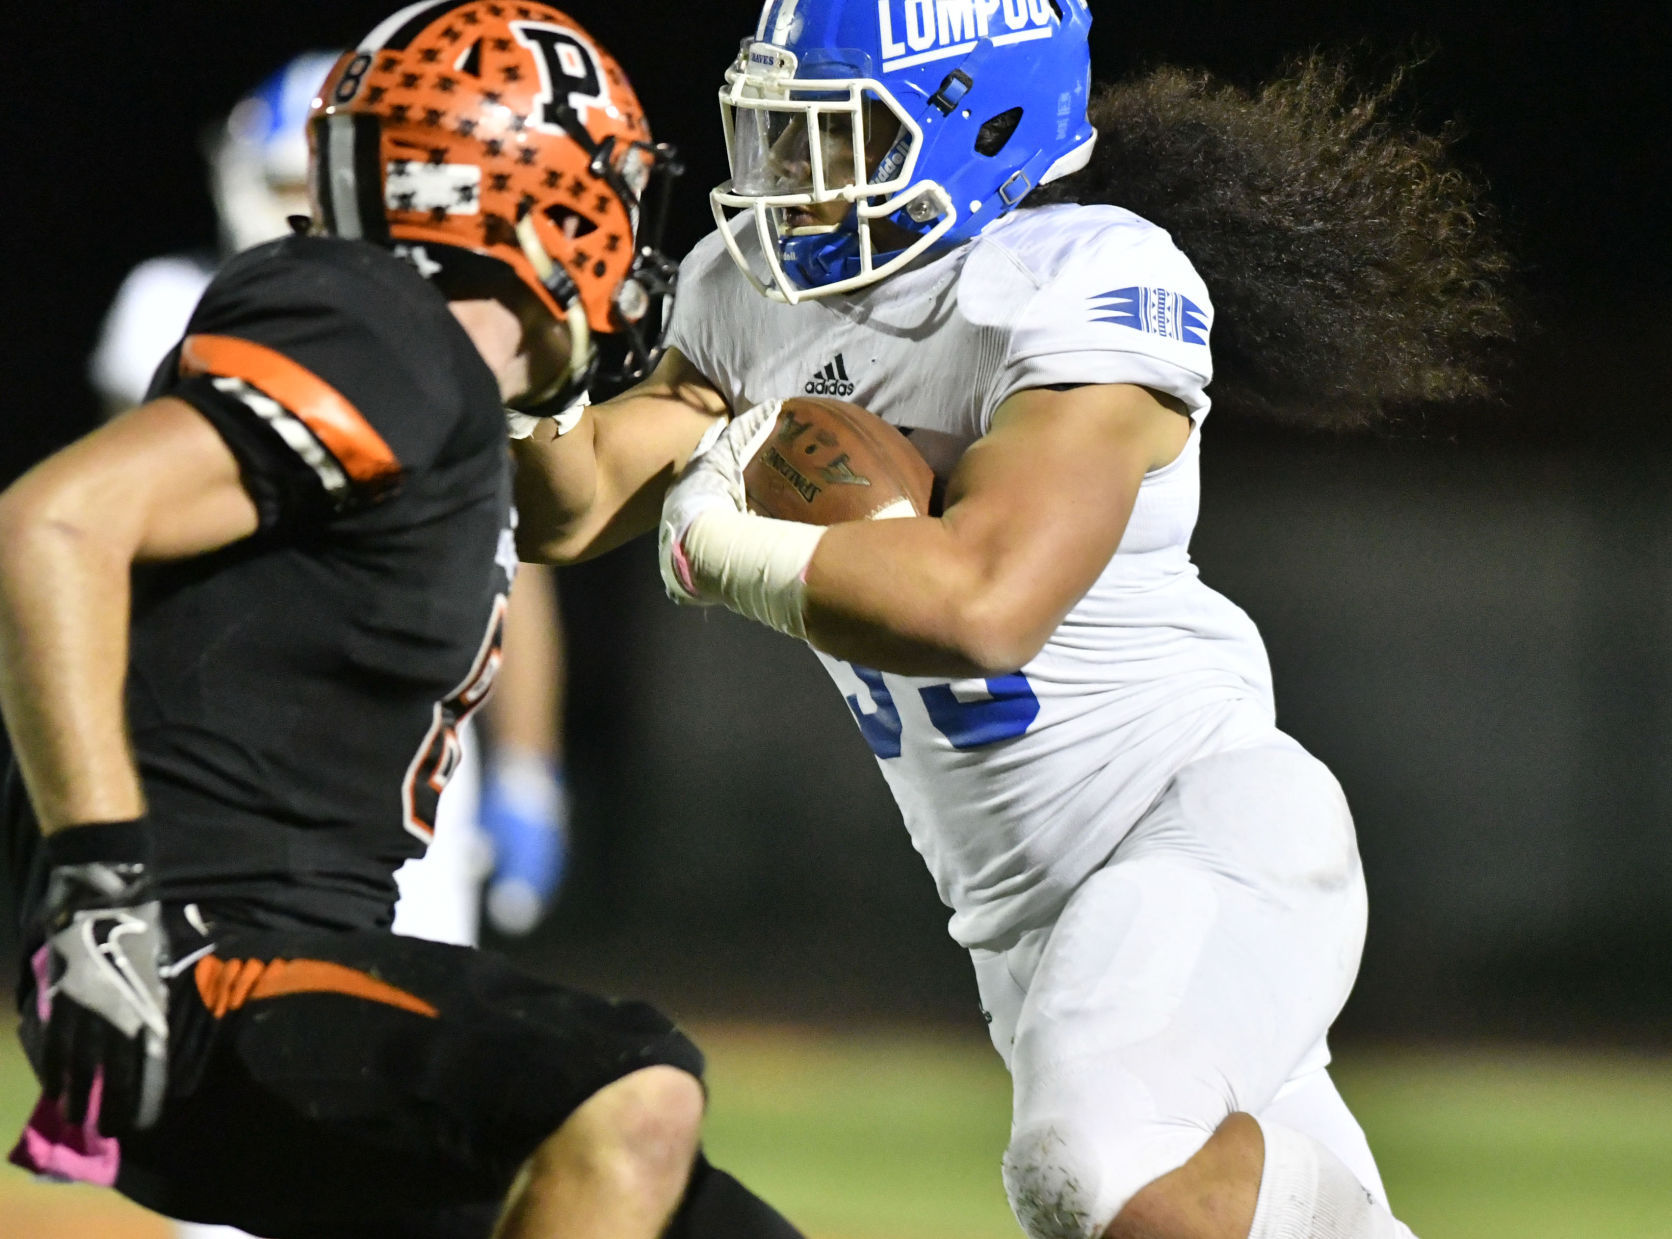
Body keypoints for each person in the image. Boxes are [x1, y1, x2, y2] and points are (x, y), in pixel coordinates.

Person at [509, 3, 1514, 1238]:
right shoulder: (751, 292)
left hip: (1195, 833)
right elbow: (574, 503)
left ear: (974, 125)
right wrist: (523, 385)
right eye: (772, 139)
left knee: (1092, 1172)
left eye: (832, 142)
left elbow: (985, 608)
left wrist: (718, 545)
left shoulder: (1084, 277)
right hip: (1017, 927)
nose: (787, 183)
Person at [0, 6, 802, 1237]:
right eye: (614, 189)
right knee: (622, 1088)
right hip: (192, 960)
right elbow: (48, 524)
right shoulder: (379, 327)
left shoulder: (435, 384)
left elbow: (569, 507)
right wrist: (99, 884)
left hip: (300, 968)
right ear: (549, 203)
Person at [90, 51, 574, 952]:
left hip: (407, 734)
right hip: (222, 727)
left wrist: (529, 768)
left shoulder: (444, 331)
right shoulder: (172, 301)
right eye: (283, 182)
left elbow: (509, 558)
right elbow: (99, 527)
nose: (297, 210)